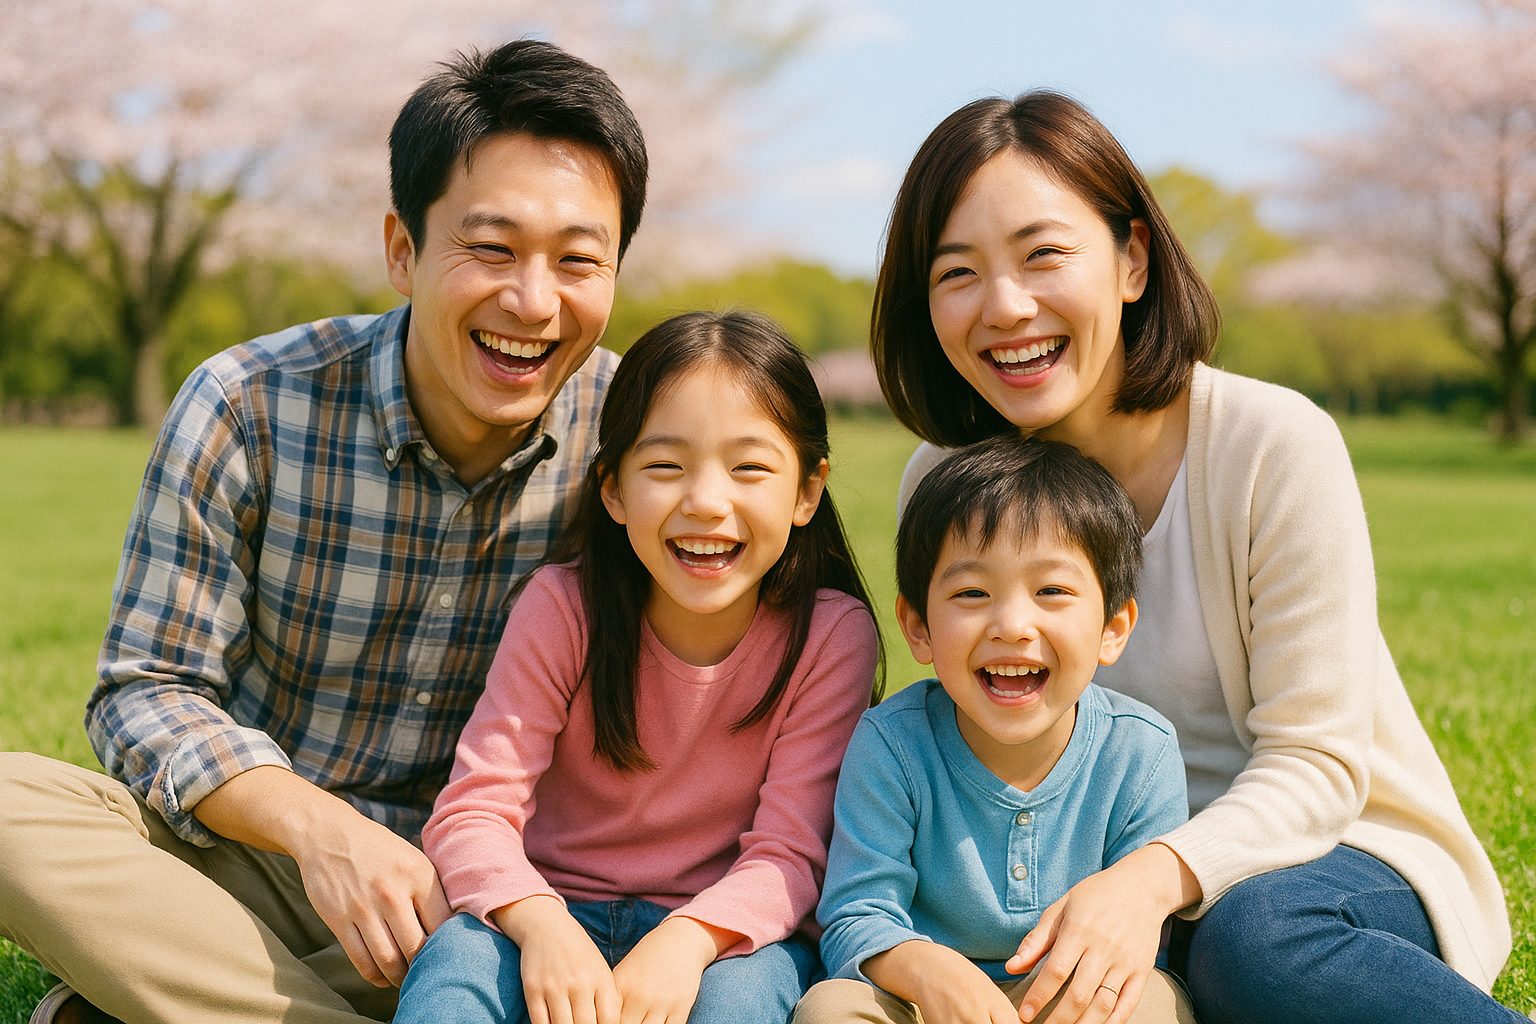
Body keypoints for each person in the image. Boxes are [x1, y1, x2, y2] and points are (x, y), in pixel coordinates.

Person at [0, 39, 647, 1024]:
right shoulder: (248, 402)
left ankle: (180, 999)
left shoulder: (640, 442)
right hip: (249, 859)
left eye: (577, 260)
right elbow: (145, 691)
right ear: (402, 249)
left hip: (492, 902)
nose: (533, 300)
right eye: (492, 248)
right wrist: (318, 829)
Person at [870, 89, 1521, 1024]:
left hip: (1328, 860)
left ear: (1132, 259)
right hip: (1084, 883)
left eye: (1045, 254)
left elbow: (1316, 764)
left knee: (1249, 940)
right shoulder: (945, 480)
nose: (1006, 307)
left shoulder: (1269, 444)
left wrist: (1151, 882)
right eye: (957, 272)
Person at [391, 309, 882, 1024]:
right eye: (664, 466)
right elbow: (473, 811)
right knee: (459, 966)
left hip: (723, 938)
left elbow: (791, 854)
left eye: (749, 467)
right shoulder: (561, 608)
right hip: (550, 912)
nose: (707, 502)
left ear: (807, 490)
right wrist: (539, 922)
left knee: (742, 1000)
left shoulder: (829, 634)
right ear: (613, 489)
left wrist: (688, 940)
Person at [794, 435, 1194, 1024]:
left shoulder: (1141, 752)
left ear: (1113, 626)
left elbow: (1140, 938)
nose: (1011, 625)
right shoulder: (893, 744)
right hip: (922, 1000)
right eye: (972, 592)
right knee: (831, 1009)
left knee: (1151, 1003)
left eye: (1052, 591)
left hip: (1072, 997)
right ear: (918, 625)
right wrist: (927, 970)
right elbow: (857, 914)